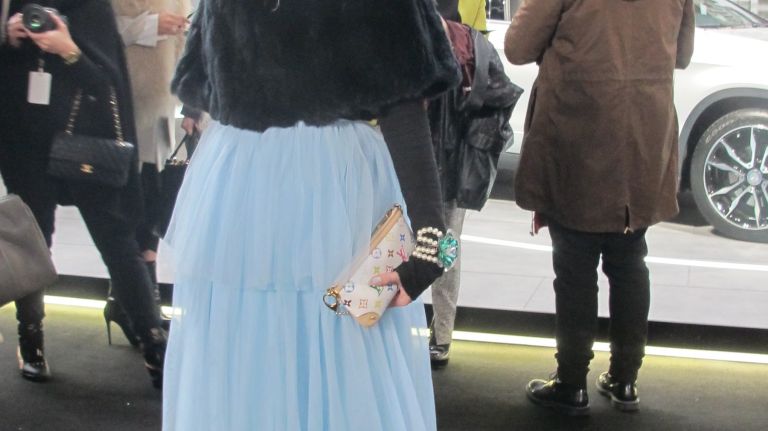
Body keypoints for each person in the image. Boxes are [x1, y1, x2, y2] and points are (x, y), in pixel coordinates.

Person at [162, 0, 461, 429]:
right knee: (337, 345)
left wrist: (432, 241)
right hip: (322, 178)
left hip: (245, 176)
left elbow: (203, 75)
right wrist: (432, 242)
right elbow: (402, 99)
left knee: (253, 342)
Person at [504, 0, 695, 415]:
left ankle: (571, 383)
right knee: (630, 260)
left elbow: (517, 47)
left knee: (574, 266)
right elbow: (682, 54)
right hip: (643, 132)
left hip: (579, 126)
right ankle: (625, 380)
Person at [0, 0, 167, 387]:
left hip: (87, 144)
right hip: (23, 143)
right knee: (34, 243)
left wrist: (68, 50)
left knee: (116, 239)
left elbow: (105, 84)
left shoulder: (90, 7)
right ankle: (31, 338)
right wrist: (7, 37)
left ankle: (152, 340)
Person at [427, 16, 521, 368]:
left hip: (413, 162)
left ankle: (377, 322)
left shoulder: (417, 36)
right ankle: (442, 335)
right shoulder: (475, 45)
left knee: (391, 244)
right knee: (446, 250)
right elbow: (503, 94)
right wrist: (476, 136)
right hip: (454, 165)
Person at [104, 0, 196, 344]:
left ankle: (141, 299)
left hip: (163, 105)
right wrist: (150, 25)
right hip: (126, 103)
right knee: (132, 204)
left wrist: (192, 104)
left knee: (154, 201)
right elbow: (101, 30)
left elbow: (187, 45)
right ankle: (135, 302)